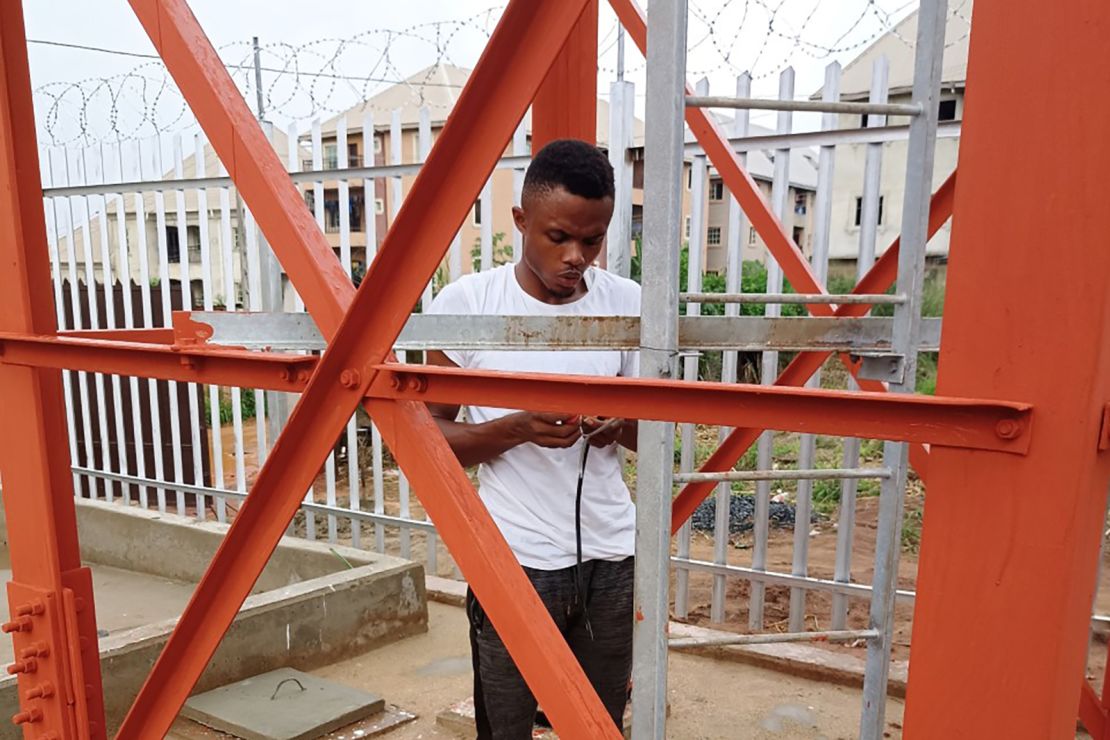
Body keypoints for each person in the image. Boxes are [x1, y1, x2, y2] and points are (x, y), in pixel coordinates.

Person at [426, 138, 640, 739]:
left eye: (593, 240)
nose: (577, 257)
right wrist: (513, 427)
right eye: (558, 237)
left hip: (610, 551)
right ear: (521, 221)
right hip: (512, 556)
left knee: (599, 721)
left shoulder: (626, 305)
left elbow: (659, 435)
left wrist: (618, 423)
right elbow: (426, 439)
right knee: (505, 722)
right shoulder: (468, 304)